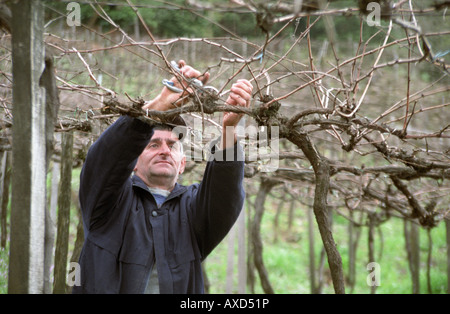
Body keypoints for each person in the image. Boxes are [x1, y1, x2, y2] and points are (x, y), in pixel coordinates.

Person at [73, 60, 253, 294]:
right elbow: (104, 162)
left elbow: (224, 195)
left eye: (172, 145)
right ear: (134, 161)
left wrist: (229, 129)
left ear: (182, 164)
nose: (165, 150)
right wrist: (157, 107)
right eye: (153, 144)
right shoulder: (109, 203)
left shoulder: (193, 210)